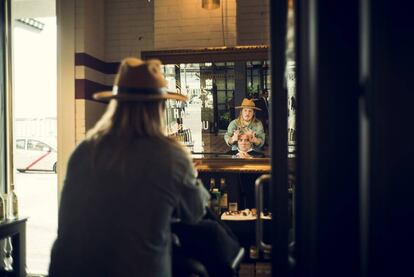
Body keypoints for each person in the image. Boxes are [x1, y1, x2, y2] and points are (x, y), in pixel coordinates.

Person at [48, 58, 210, 277]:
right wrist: (190, 171)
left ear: (116, 104)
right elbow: (195, 212)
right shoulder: (170, 155)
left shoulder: (85, 149)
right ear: (159, 107)